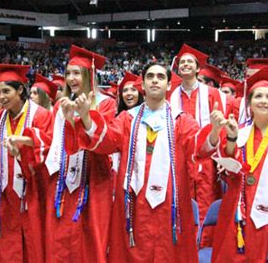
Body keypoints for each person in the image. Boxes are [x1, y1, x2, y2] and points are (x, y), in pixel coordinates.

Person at [73, 62, 223, 262]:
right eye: (150, 76)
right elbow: (107, 141)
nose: (155, 80)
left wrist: (213, 132)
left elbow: (197, 146)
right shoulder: (127, 119)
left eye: (161, 77)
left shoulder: (181, 121)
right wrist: (85, 117)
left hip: (170, 203)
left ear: (169, 85)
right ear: (142, 84)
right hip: (134, 204)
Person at [211, 67, 268, 262]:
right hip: (237, 208)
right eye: (258, 96)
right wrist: (231, 137)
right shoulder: (238, 130)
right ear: (250, 102)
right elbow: (228, 169)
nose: (263, 101)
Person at [0, 63, 53, 262]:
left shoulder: (41, 115)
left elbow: (49, 152)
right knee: (8, 247)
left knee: (34, 246)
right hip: (6, 195)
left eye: (6, 91)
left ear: (20, 90)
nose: (1, 96)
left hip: (34, 194)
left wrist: (24, 151)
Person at [43, 45, 116, 262]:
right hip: (63, 182)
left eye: (77, 73)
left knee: (90, 236)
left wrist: (85, 117)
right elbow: (53, 144)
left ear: (88, 75)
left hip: (94, 179)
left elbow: (107, 142)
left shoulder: (106, 104)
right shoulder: (60, 106)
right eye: (68, 73)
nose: (71, 78)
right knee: (61, 235)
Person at [169, 44, 229, 222]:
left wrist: (222, 157)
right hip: (179, 157)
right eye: (182, 62)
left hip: (207, 159)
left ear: (197, 68)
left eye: (190, 62)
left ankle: (205, 245)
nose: (185, 64)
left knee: (206, 200)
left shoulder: (212, 94)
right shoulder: (170, 95)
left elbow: (221, 126)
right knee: (181, 201)